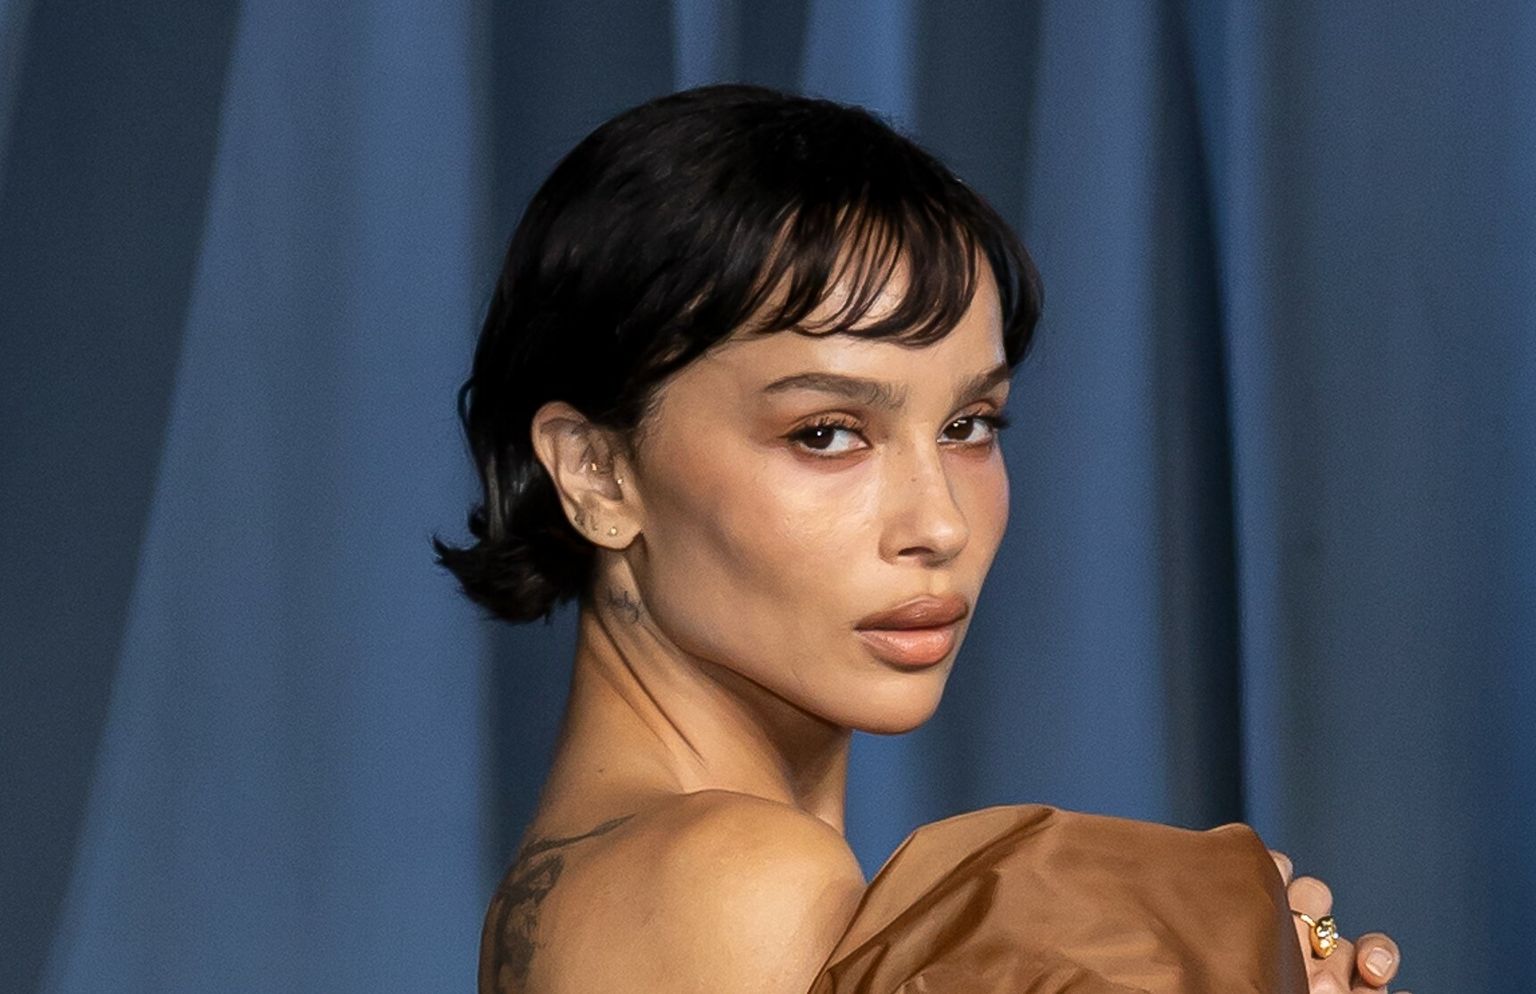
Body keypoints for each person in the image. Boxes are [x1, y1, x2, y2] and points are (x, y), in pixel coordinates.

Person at [436, 84, 1405, 994]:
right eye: (827, 433)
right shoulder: (732, 881)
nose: (939, 523)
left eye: (969, 425)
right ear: (597, 472)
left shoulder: (610, 881)